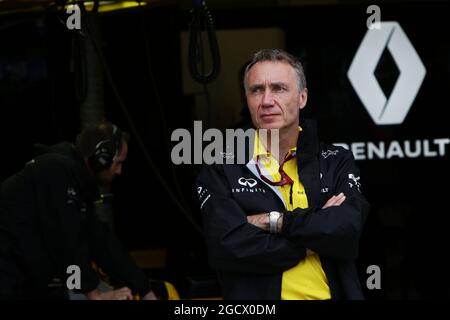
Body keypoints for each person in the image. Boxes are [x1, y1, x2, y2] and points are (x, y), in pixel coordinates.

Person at [196, 49, 370, 299]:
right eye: (256, 90)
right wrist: (316, 234)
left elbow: (346, 230)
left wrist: (274, 221)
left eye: (278, 88)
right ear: (247, 99)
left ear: (302, 97)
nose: (266, 100)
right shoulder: (221, 166)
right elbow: (227, 246)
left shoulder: (336, 161)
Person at [0, 121, 157, 300]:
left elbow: (101, 242)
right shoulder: (56, 169)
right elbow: (66, 236)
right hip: (9, 279)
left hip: (24, 279)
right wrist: (94, 294)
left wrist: (145, 290)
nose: (120, 171)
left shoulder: (76, 183)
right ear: (101, 157)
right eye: (118, 162)